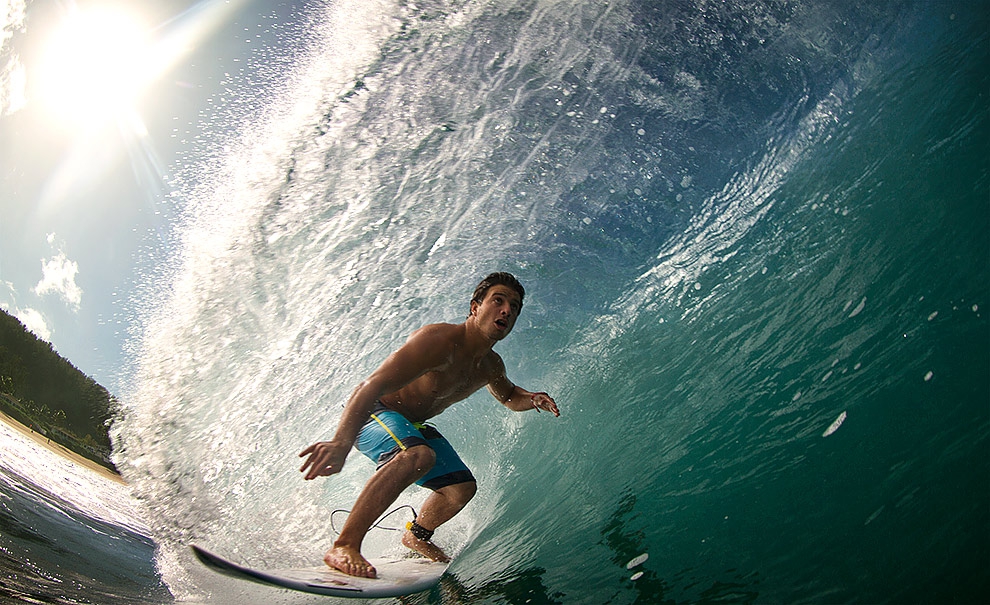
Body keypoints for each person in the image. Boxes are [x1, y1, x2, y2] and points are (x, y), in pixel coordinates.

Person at [298, 272, 560, 579]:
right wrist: (340, 443)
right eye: (498, 301)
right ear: (475, 307)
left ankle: (416, 536)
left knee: (460, 489)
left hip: (410, 423)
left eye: (514, 307)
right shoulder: (439, 342)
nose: (506, 311)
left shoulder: (490, 366)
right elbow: (370, 385)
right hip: (373, 411)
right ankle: (344, 545)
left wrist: (533, 399)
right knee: (419, 456)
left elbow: (509, 396)